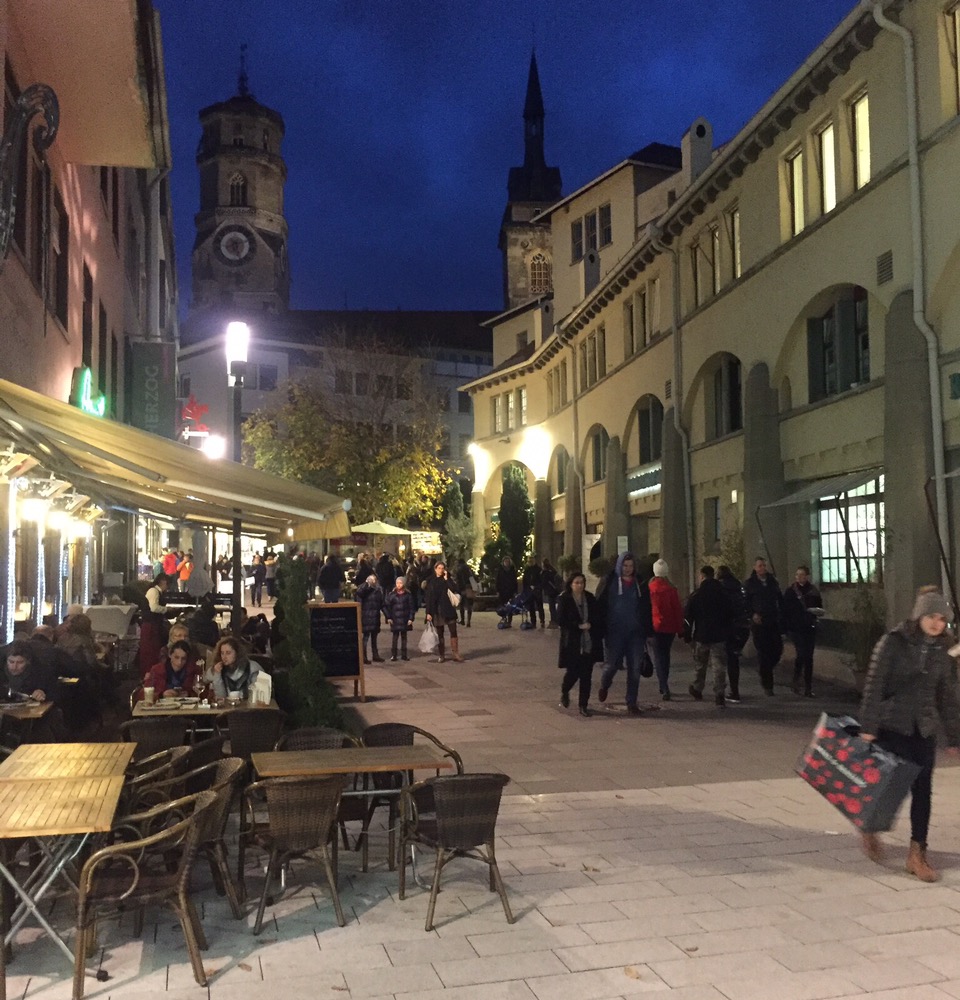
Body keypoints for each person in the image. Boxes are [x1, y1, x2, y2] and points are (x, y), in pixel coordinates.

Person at [858, 589, 960, 882]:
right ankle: (870, 827)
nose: (937, 623)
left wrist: (954, 737)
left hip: (923, 729)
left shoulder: (946, 649)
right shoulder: (893, 642)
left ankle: (917, 853)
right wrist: (868, 727)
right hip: (892, 725)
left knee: (923, 790)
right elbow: (874, 685)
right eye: (931, 617)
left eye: (942, 618)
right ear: (919, 616)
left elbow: (947, 696)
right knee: (892, 786)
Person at [597, 552, 652, 716]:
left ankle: (631, 702)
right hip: (615, 632)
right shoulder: (610, 581)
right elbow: (600, 603)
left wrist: (648, 629)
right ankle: (605, 684)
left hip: (636, 633)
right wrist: (601, 628)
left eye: (631, 566)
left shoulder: (639, 583)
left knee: (635, 668)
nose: (628, 569)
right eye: (625, 565)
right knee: (612, 665)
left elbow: (646, 606)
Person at [685, 565, 735, 707]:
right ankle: (719, 693)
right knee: (719, 666)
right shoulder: (723, 594)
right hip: (719, 636)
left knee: (700, 664)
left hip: (702, 635)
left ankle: (697, 688)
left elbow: (688, 617)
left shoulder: (697, 595)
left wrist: (687, 635)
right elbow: (730, 614)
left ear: (702, 576)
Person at [557, 572, 604, 717]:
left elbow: (597, 616)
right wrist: (577, 626)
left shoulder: (589, 598)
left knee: (586, 675)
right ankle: (565, 690)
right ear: (571, 584)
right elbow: (561, 620)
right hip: (572, 642)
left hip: (588, 642)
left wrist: (591, 625)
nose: (579, 585)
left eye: (582, 582)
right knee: (573, 672)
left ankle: (583, 705)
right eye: (576, 583)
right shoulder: (565, 598)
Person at [743, 556, 783, 696]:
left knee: (777, 650)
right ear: (755, 568)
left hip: (773, 620)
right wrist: (752, 614)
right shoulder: (750, 584)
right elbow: (746, 603)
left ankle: (766, 669)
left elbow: (779, 599)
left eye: (764, 565)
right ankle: (767, 684)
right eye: (760, 566)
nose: (763, 568)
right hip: (759, 623)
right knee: (763, 652)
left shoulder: (772, 582)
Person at [646, 558, 684, 701]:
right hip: (669, 628)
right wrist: (680, 628)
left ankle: (663, 685)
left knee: (658, 656)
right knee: (665, 656)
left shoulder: (649, 589)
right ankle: (664, 683)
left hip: (654, 627)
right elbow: (677, 610)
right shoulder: (671, 589)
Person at [783, 564, 823, 698]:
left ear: (807, 576)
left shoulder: (813, 591)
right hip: (796, 628)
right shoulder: (791, 592)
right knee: (801, 654)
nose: (799, 577)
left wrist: (816, 612)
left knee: (809, 657)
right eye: (797, 575)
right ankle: (796, 680)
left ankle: (808, 687)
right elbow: (785, 610)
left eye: (802, 575)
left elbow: (819, 606)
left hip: (809, 627)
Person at [716, 565, 749, 703]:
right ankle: (734, 690)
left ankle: (730, 692)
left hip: (729, 627)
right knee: (733, 658)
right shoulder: (739, 587)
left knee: (725, 660)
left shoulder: (721, 589)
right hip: (742, 627)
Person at [424, 560, 463, 663]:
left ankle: (455, 653)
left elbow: (454, 589)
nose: (441, 570)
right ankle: (441, 655)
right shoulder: (431, 581)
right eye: (439, 568)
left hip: (448, 608)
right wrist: (428, 612)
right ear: (435, 569)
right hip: (438, 610)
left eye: (442, 568)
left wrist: (446, 579)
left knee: (453, 631)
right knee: (440, 633)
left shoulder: (447, 579)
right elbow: (429, 598)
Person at [139, 573, 170, 675]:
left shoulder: (155, 591)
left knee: (152, 651)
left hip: (153, 625)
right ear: (163, 582)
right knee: (150, 652)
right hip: (151, 625)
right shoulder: (154, 591)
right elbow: (153, 607)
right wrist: (166, 609)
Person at [356, 573, 385, 663]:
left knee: (374, 638)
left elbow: (382, 604)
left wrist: (388, 616)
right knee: (365, 637)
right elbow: (359, 594)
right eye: (372, 580)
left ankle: (375, 655)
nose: (374, 582)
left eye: (375, 580)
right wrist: (367, 585)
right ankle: (363, 656)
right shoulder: (363, 589)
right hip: (366, 617)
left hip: (375, 617)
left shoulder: (378, 590)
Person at [384, 576, 415, 661]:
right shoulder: (392, 595)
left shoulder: (408, 595)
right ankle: (394, 654)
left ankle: (404, 654)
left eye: (400, 583)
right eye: (397, 583)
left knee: (404, 637)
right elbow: (387, 607)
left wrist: (411, 618)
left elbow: (411, 608)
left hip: (405, 619)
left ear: (404, 584)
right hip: (395, 619)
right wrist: (388, 617)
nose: (398, 585)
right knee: (395, 637)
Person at [522, 556, 546, 628]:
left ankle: (542, 621)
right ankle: (533, 622)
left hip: (537, 590)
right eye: (529, 561)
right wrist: (526, 590)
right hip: (529, 591)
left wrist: (536, 587)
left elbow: (542, 580)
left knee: (539, 606)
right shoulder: (526, 570)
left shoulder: (539, 570)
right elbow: (524, 581)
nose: (530, 562)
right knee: (531, 607)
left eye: (531, 561)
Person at [495, 556, 519, 626]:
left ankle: (509, 620)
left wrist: (515, 591)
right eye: (505, 561)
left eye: (508, 561)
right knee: (503, 606)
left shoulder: (512, 570)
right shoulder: (500, 570)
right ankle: (504, 618)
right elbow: (497, 581)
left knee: (510, 605)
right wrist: (497, 590)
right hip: (502, 591)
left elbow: (515, 582)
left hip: (510, 591)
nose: (506, 563)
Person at [454, 559, 475, 627]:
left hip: (462, 589)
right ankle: (468, 621)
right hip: (470, 588)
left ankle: (462, 620)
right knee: (469, 605)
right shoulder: (469, 569)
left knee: (462, 605)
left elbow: (459, 580)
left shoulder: (459, 570)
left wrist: (459, 589)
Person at [542, 558, 562, 628]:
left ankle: (554, 621)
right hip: (555, 591)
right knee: (554, 606)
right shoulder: (553, 570)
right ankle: (556, 620)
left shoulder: (545, 573)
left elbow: (544, 582)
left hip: (550, 591)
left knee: (552, 607)